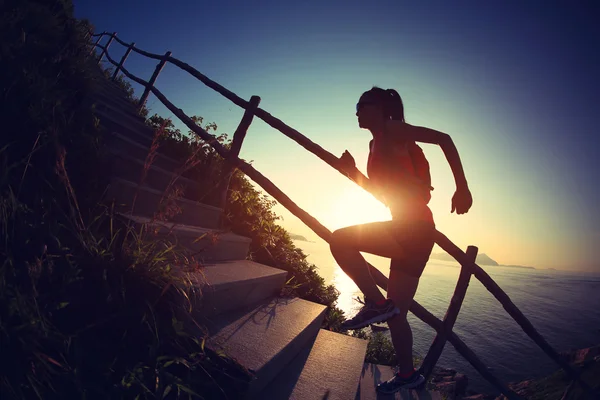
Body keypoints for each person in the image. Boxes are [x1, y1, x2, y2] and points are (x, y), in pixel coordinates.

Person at [330, 86, 473, 393]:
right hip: (415, 232)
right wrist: (352, 172)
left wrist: (462, 187)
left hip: (413, 228)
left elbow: (444, 139)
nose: (356, 110)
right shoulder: (375, 142)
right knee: (397, 317)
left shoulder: (392, 130)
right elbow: (384, 195)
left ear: (381, 109)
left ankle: (375, 303)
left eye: (362, 104)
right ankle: (409, 375)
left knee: (340, 240)